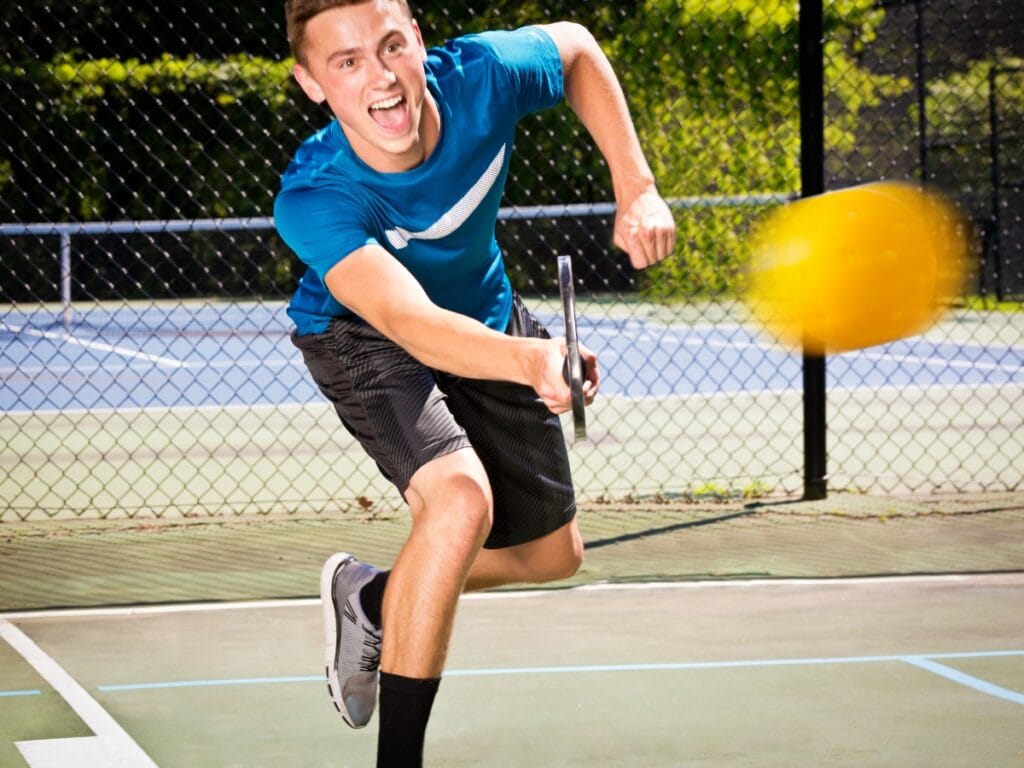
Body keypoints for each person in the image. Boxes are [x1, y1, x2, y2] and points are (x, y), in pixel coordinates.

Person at [274, 0, 676, 764]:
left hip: (483, 308)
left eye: (392, 46)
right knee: (460, 502)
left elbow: (579, 50)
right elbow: (411, 322)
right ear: (313, 84)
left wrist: (637, 184)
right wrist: (531, 360)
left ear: (419, 40)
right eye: (347, 62)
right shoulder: (314, 195)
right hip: (361, 332)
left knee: (554, 556)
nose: (382, 77)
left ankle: (373, 596)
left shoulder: (483, 76)